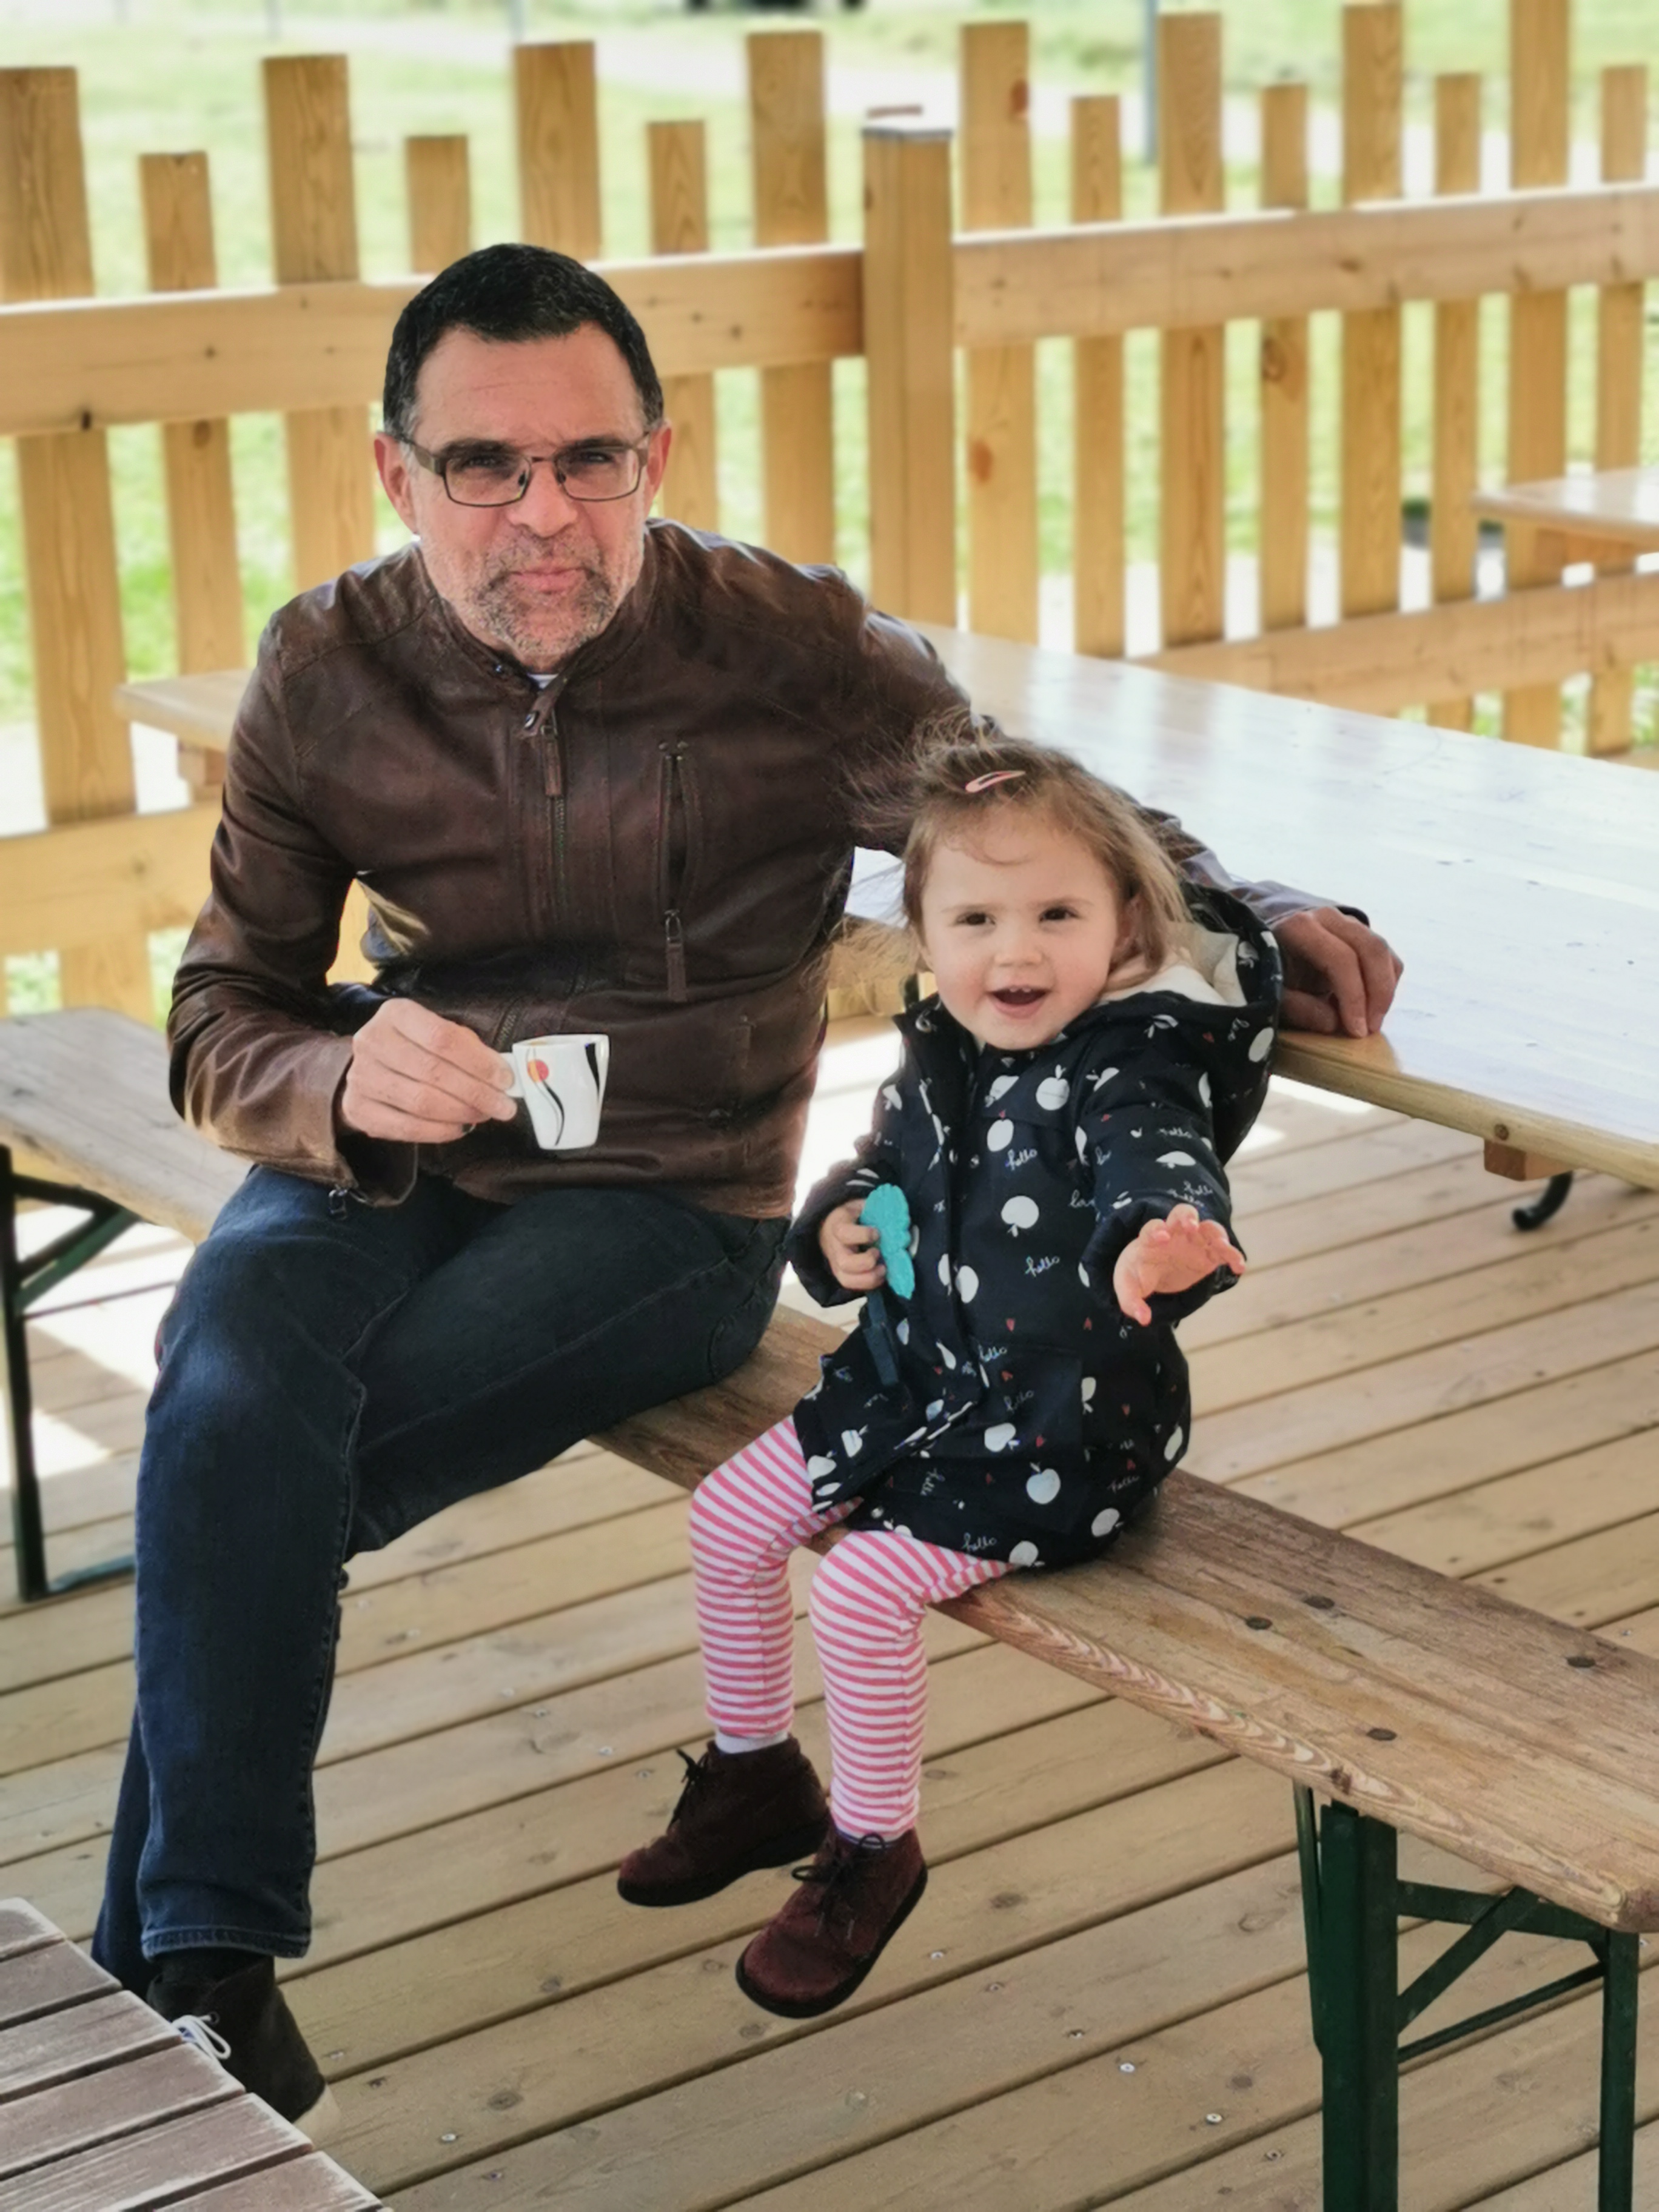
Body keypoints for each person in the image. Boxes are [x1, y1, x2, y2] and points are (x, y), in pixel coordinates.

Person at [93, 240, 1399, 2129]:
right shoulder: (327, 669)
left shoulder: (787, 651)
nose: (544, 513)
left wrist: (1246, 900)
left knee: (248, 1479)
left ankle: (167, 2001)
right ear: (398, 474)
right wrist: (335, 1078)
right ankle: (205, 1980)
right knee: (225, 1383)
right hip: (395, 1143)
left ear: (658, 455)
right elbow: (223, 1012)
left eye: (591, 460)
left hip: (668, 1204)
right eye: (484, 465)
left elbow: (1030, 818)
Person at [615, 732, 1278, 2016]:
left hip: (1056, 1431)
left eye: (1057, 915)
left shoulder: (1130, 1063)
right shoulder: (943, 1047)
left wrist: (1164, 1240)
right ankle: (756, 1775)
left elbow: (1159, 1163)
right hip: (906, 1385)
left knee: (861, 1589)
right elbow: (880, 1161)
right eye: (976, 919)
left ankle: (875, 1845)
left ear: (1126, 924)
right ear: (923, 935)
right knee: (728, 1518)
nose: (1015, 952)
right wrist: (838, 1224)